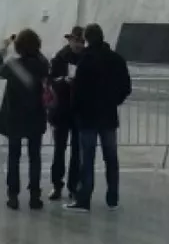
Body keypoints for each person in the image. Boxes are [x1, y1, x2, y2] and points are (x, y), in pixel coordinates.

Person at [67, 23, 131, 213]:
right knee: (111, 157)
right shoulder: (116, 59)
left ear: (87, 39)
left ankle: (84, 199)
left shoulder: (85, 60)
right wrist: (114, 101)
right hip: (108, 115)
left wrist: (75, 111)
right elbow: (126, 87)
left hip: (87, 117)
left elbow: (77, 92)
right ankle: (113, 199)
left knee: (87, 158)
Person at [0, 29, 50, 210]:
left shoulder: (13, 66)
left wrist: (3, 49)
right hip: (36, 116)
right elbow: (42, 62)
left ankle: (13, 196)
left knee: (14, 157)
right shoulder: (42, 64)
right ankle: (35, 196)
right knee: (35, 157)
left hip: (15, 118)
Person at [48, 27, 86, 201]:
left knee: (77, 152)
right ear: (70, 40)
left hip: (79, 110)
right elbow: (50, 80)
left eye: (81, 41)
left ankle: (73, 186)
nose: (78, 44)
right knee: (59, 150)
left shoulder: (87, 58)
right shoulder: (59, 58)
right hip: (61, 110)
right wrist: (62, 81)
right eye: (76, 40)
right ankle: (57, 184)